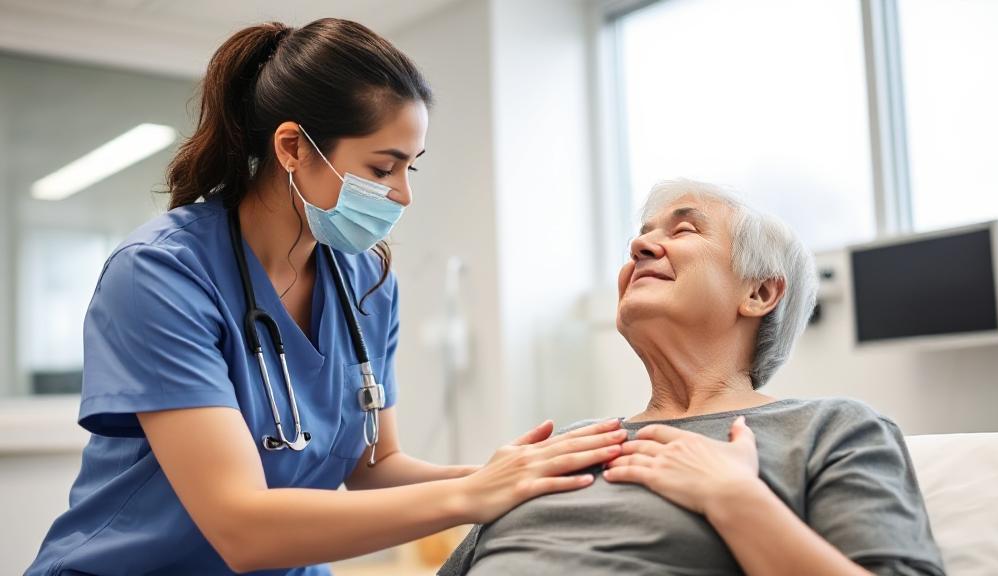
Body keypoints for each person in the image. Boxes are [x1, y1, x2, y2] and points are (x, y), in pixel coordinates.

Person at [27, 19, 625, 576]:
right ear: (292, 148)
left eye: (410, 168)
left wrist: (511, 477)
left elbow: (374, 468)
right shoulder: (162, 276)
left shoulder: (366, 283)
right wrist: (472, 494)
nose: (401, 196)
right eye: (382, 167)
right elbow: (241, 526)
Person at [440, 178, 945, 576]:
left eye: (683, 231)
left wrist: (735, 501)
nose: (640, 246)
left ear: (760, 294)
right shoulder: (566, 445)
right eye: (640, 235)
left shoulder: (827, 430)